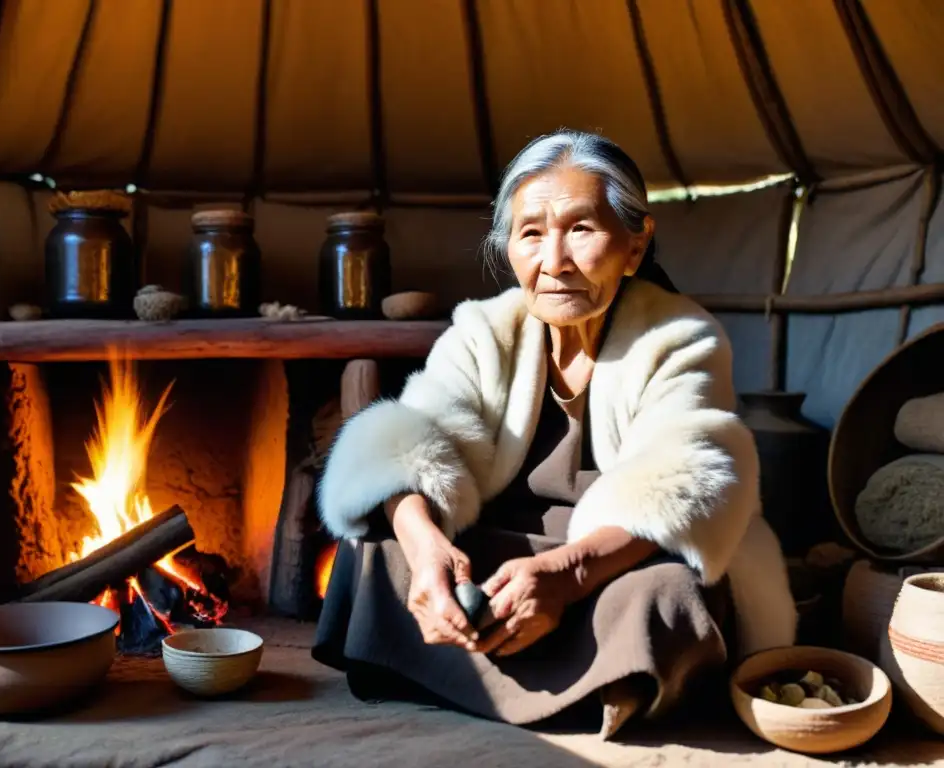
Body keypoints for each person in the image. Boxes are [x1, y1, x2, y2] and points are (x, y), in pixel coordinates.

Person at [311, 129, 796, 737]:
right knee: (381, 549)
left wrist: (566, 577)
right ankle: (585, 690)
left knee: (673, 596)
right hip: (496, 555)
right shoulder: (483, 331)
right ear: (508, 246)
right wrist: (427, 549)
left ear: (636, 244)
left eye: (581, 229)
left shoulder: (678, 338)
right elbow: (408, 444)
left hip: (607, 566)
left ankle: (446, 673)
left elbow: (693, 482)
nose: (554, 261)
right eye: (531, 233)